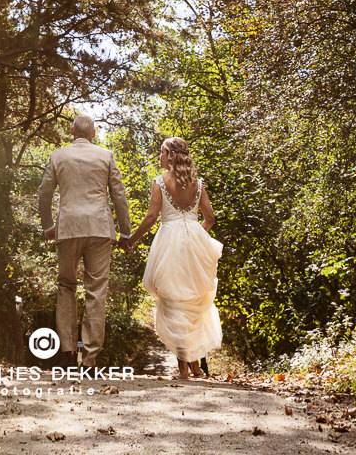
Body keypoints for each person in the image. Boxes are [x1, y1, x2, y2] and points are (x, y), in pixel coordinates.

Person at [122, 136, 222, 380]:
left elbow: (151, 217)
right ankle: (196, 367)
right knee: (193, 303)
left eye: (162, 152)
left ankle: (183, 370)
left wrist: (131, 239)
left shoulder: (160, 182)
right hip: (194, 243)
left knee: (174, 301)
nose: (159, 156)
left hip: (169, 242)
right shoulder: (198, 184)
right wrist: (197, 237)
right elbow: (209, 218)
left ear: (171, 156)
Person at [37, 113, 133, 367]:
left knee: (66, 286)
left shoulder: (58, 156)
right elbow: (119, 196)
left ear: (71, 132)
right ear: (93, 134)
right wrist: (125, 233)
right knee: (96, 292)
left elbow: (44, 194)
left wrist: (48, 225)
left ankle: (68, 351)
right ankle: (89, 359)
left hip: (68, 228)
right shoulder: (105, 156)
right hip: (100, 229)